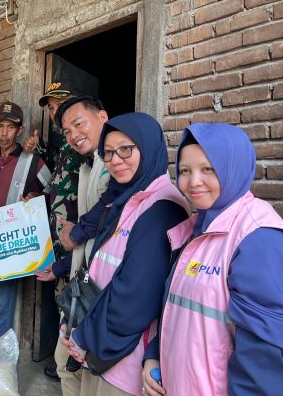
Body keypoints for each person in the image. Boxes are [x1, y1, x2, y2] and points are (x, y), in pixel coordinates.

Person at [141, 123, 283, 396]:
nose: (193, 182)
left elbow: (264, 362)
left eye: (208, 169)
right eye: (185, 171)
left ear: (233, 167)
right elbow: (176, 307)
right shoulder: (197, 228)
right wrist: (153, 354)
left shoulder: (259, 238)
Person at [61, 112, 190, 396]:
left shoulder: (163, 208)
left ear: (148, 147)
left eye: (126, 149)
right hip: (97, 346)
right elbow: (101, 268)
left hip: (122, 361)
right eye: (108, 153)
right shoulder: (124, 199)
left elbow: (134, 296)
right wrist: (73, 319)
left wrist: (85, 335)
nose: (115, 160)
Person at [0, 101, 51, 340]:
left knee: (2, 304)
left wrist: (36, 196)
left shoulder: (32, 161)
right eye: (0, 126)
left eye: (10, 127)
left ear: (20, 130)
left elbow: (52, 190)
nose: (4, 133)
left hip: (10, 245)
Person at [33, 82, 82, 383]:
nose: (54, 112)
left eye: (58, 105)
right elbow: (58, 175)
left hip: (75, 231)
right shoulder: (65, 142)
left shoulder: (83, 142)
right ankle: (62, 359)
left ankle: (70, 361)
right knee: (61, 291)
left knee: (73, 294)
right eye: (51, 107)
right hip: (58, 231)